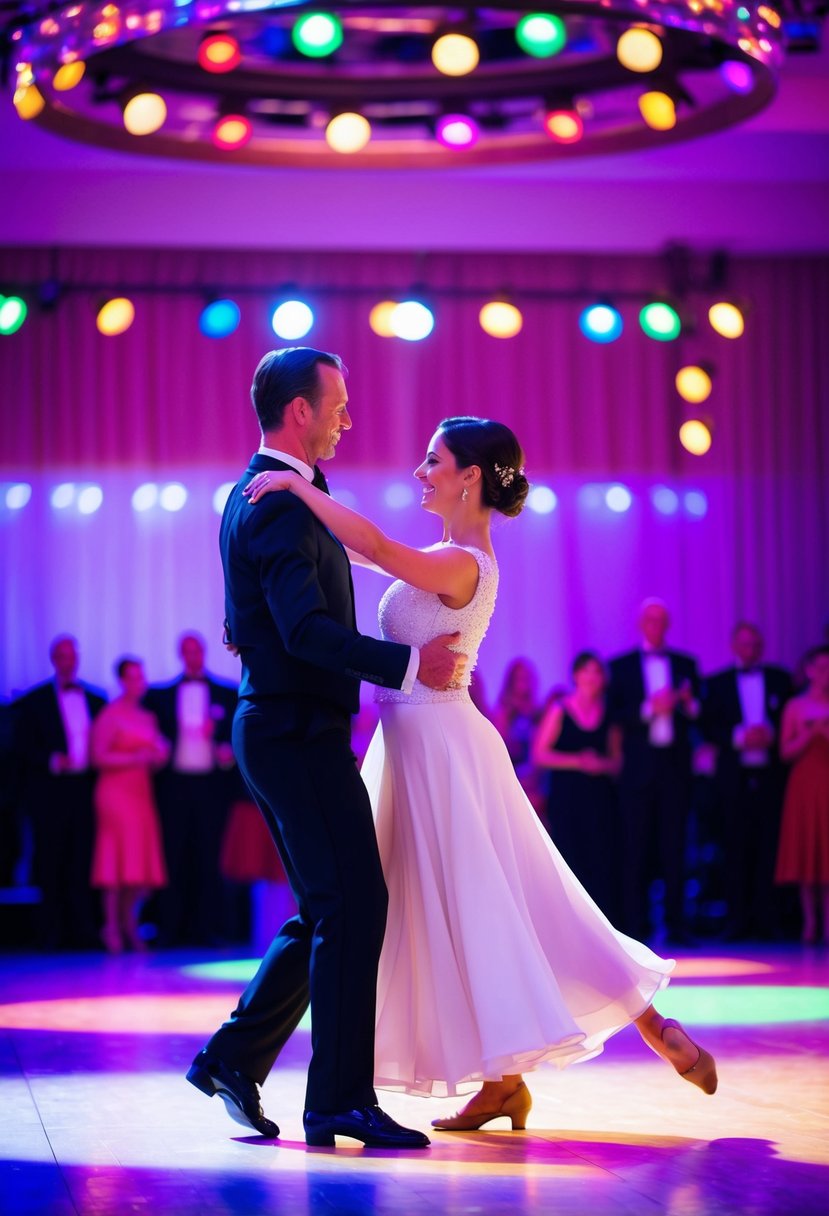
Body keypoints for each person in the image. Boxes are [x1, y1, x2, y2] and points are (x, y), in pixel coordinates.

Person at [245, 414, 717, 1134]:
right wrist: (303, 502)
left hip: (441, 748)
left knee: (494, 902)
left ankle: (644, 1027)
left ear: (470, 476)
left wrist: (291, 486)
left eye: (432, 460)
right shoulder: (444, 554)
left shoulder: (465, 562)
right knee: (460, 905)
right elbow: (367, 555)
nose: (418, 471)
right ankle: (504, 1081)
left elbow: (371, 544)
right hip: (414, 746)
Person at [187, 346, 464, 1150]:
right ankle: (337, 1102)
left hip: (283, 726)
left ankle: (234, 1058)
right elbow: (305, 632)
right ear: (299, 411)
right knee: (355, 904)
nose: (349, 415)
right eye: (337, 402)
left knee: (328, 907)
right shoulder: (274, 502)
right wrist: (411, 664)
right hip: (293, 730)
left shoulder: (275, 493)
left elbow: (258, 620)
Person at [608, 600, 701, 945]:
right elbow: (614, 715)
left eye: (661, 620)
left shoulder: (685, 665)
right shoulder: (621, 667)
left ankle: (678, 926)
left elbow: (701, 715)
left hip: (675, 769)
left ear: (668, 624)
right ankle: (636, 927)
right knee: (637, 847)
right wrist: (650, 708)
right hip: (638, 771)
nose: (655, 625)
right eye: (649, 619)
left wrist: (687, 704)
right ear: (640, 624)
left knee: (675, 848)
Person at [12, 635, 107, 949]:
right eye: (62, 656)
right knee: (50, 861)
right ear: (54, 660)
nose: (68, 661)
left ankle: (83, 931)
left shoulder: (96, 699)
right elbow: (21, 749)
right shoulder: (33, 702)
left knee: (82, 860)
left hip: (85, 789)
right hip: (50, 793)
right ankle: (50, 934)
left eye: (72, 655)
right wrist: (53, 760)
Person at [144, 632, 238, 946]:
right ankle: (170, 928)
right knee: (173, 854)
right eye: (187, 651)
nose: (192, 656)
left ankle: (207, 929)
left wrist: (226, 750)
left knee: (208, 855)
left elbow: (238, 737)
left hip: (212, 785)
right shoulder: (160, 697)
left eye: (196, 650)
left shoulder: (227, 693)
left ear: (203, 653)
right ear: (180, 655)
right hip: (174, 785)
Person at [702, 622, 791, 941]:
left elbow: (789, 719)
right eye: (744, 643)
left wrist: (770, 735)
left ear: (762, 647)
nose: (750, 649)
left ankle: (769, 919)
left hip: (770, 778)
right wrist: (739, 737)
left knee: (770, 848)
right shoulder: (718, 683)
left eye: (755, 644)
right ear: (733, 646)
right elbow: (707, 725)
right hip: (734, 779)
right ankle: (737, 920)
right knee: (735, 848)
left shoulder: (780, 680)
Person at [532, 651, 622, 921]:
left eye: (597, 672)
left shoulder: (609, 715)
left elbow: (617, 762)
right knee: (569, 858)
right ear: (576, 676)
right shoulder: (560, 709)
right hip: (567, 797)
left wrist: (600, 765)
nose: (592, 677)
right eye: (586, 671)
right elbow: (540, 753)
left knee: (600, 860)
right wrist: (578, 761)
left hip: (599, 799)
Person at [90, 657, 169, 953]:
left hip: (140, 793)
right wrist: (135, 759)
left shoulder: (147, 717)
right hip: (115, 793)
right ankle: (111, 927)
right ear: (122, 681)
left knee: (137, 861)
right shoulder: (110, 715)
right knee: (114, 860)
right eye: (132, 677)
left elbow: (156, 752)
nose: (138, 682)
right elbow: (97, 756)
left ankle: (129, 923)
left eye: (141, 676)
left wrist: (158, 756)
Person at [774, 644, 829, 944]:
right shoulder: (796, 706)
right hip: (805, 784)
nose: (824, 674)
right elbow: (784, 751)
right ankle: (810, 923)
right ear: (809, 670)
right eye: (819, 668)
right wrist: (811, 733)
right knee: (807, 850)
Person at [492, 656, 545, 816]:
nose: (523, 682)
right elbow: (498, 748)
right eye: (519, 678)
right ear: (511, 681)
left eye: (526, 677)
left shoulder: (538, 711)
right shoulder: (503, 712)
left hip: (536, 777)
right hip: (512, 777)